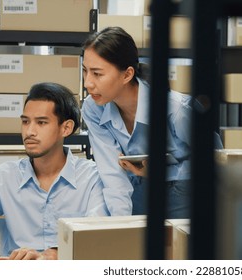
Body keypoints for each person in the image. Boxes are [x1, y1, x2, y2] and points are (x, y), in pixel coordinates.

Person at [0, 82, 109, 260]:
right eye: (25, 121)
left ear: (66, 128)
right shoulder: (2, 178)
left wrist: (55, 255)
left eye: (41, 122)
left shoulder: (93, 178)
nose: (29, 131)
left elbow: (96, 235)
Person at [81, 26, 222, 218]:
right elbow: (111, 172)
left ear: (127, 74)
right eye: (85, 71)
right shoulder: (93, 108)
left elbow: (217, 157)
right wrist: (120, 224)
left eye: (97, 74)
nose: (88, 83)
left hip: (182, 188)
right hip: (136, 188)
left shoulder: (175, 110)